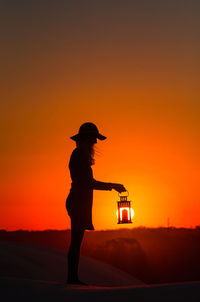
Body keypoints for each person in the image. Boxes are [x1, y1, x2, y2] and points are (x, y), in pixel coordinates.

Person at [66, 122, 126, 285]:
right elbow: (86, 182)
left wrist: (111, 186)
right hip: (77, 202)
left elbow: (86, 182)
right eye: (93, 139)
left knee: (77, 241)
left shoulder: (81, 155)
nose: (95, 143)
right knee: (76, 242)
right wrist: (112, 186)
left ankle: (73, 277)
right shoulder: (78, 155)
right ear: (85, 139)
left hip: (79, 202)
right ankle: (72, 278)